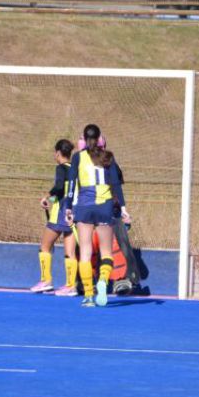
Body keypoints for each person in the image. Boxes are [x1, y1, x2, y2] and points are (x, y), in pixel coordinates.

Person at [65, 123, 130, 307]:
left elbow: (71, 183)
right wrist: (124, 209)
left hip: (84, 207)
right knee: (106, 252)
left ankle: (88, 295)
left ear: (84, 140)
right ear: (100, 138)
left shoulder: (78, 157)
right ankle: (103, 280)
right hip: (105, 206)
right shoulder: (108, 156)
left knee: (85, 252)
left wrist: (69, 207)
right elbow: (116, 184)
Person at [31, 139, 78, 296]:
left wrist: (47, 197)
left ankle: (46, 281)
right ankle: (71, 285)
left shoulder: (61, 168)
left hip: (60, 211)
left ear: (58, 153)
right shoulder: (75, 168)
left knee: (45, 246)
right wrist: (50, 200)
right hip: (73, 211)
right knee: (70, 251)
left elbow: (59, 188)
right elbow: (66, 190)